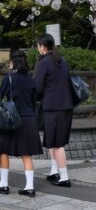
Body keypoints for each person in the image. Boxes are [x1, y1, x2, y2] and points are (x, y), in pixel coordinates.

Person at [0, 49, 41, 196]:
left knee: (3, 150)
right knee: (26, 154)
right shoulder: (31, 79)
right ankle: (29, 187)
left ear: (12, 62)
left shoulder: (9, 78)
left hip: (11, 121)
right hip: (28, 120)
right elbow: (34, 101)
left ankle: (3, 185)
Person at [34, 33, 75, 188]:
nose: (38, 48)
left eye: (38, 45)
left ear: (43, 47)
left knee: (57, 144)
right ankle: (54, 171)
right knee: (52, 141)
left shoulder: (44, 62)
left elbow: (37, 88)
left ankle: (64, 177)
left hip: (53, 108)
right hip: (65, 107)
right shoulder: (62, 61)